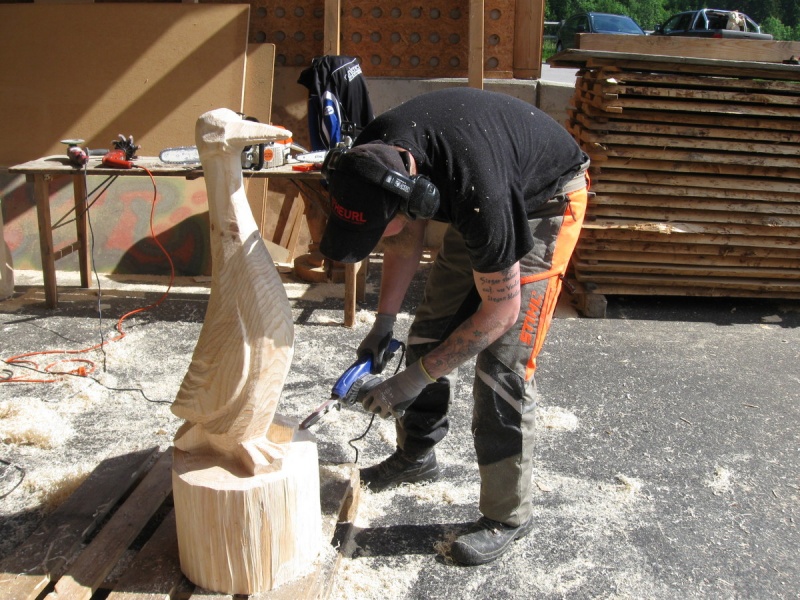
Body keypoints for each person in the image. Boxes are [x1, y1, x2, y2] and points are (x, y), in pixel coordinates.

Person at [318, 87, 590, 566]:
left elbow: (500, 314)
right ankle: (417, 456)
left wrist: (410, 381)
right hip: (479, 199)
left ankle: (508, 516)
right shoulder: (374, 158)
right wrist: (384, 323)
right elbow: (404, 241)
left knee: (502, 368)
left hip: (540, 201)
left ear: (410, 200)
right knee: (429, 330)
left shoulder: (479, 191)